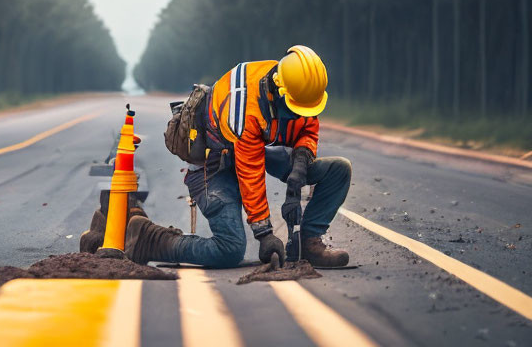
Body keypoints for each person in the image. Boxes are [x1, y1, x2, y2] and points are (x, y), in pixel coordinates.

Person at [81, 45, 351, 268]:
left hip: (257, 148)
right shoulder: (245, 110)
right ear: (279, 90)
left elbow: (307, 126)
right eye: (295, 108)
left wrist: (300, 168)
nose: (302, 114)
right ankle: (148, 240)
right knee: (230, 249)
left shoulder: (298, 86)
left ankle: (308, 244)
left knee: (338, 170)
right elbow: (251, 173)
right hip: (214, 164)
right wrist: (265, 234)